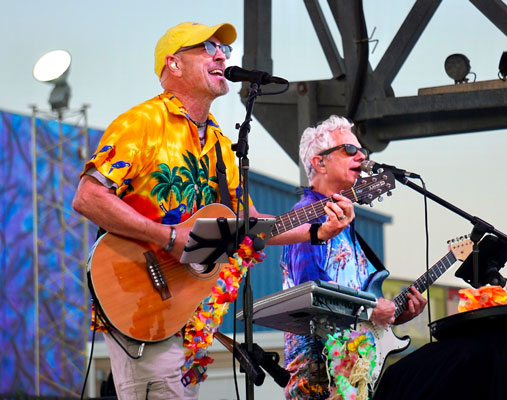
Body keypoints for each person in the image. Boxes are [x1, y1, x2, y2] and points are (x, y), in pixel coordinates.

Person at [72, 22, 354, 399]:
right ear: (174, 64)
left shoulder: (222, 145)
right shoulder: (141, 124)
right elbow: (88, 197)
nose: (222, 55)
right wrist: (169, 237)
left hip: (188, 312)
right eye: (207, 47)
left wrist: (318, 230)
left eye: (224, 49)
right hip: (138, 297)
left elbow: (250, 226)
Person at [280, 115, 428, 400]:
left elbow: (356, 303)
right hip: (319, 373)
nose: (361, 156)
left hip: (354, 369)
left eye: (362, 150)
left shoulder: (345, 224)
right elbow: (312, 292)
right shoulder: (306, 219)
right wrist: (372, 309)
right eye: (349, 149)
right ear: (319, 163)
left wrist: (395, 314)